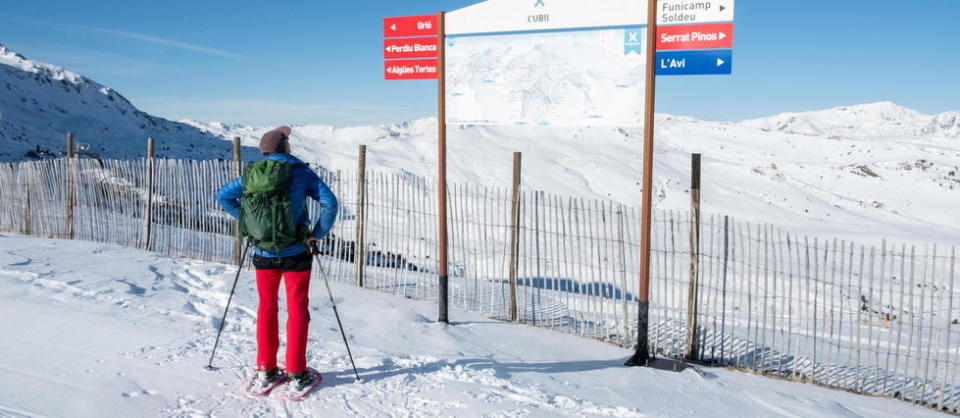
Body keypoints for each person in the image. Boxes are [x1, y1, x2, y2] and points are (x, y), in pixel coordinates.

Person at [216, 126, 338, 394]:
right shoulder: (301, 172)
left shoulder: (252, 174)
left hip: (263, 253)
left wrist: (248, 222)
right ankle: (296, 373)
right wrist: (315, 234)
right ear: (285, 147)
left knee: (266, 308)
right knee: (297, 311)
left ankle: (265, 369)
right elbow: (330, 203)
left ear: (264, 150)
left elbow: (222, 196)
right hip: (296, 252)